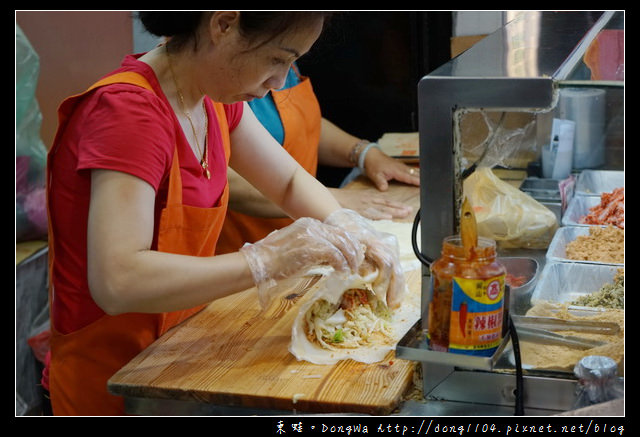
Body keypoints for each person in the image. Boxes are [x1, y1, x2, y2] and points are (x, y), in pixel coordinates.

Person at [44, 11, 404, 416]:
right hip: (115, 380)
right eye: (276, 59)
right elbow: (117, 280)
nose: (279, 82)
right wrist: (267, 260)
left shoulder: (211, 99)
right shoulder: (129, 113)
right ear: (224, 24)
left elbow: (287, 181)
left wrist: (348, 226)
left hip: (179, 354)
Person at [216, 61, 420, 255]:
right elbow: (223, 180)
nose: (279, 81)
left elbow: (301, 126)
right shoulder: (220, 95)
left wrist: (363, 152)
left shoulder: (282, 64)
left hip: (302, 241)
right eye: (277, 59)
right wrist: (331, 201)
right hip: (240, 250)